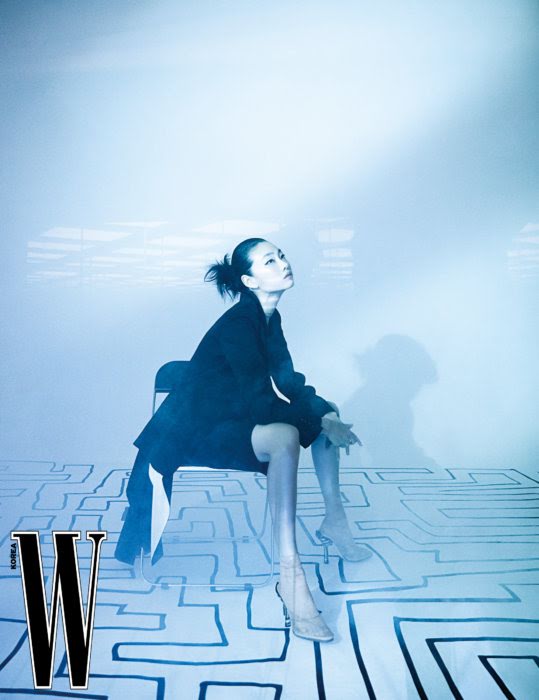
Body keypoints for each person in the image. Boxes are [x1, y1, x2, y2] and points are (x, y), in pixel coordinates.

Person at [115, 237, 371, 642]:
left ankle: (335, 520)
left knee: (327, 411)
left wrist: (325, 414)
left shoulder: (268, 316)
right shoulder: (239, 324)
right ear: (250, 281)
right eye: (269, 261)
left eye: (281, 255)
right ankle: (290, 573)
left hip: (230, 420)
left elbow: (288, 382)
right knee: (287, 435)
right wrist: (318, 420)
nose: (283, 263)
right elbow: (262, 404)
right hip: (194, 431)